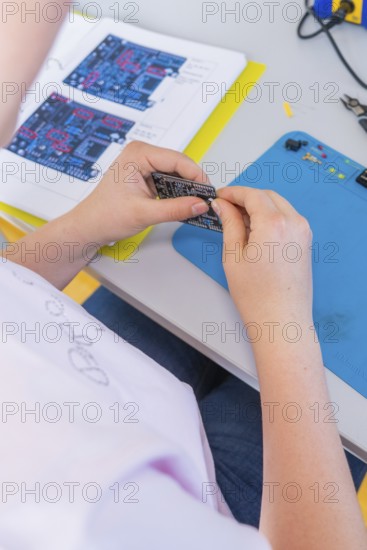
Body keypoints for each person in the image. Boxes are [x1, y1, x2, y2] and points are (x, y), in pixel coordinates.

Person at [0, 2, 366, 549]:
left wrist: (86, 224)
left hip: (96, 376)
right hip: (210, 504)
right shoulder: (83, 516)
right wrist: (280, 322)